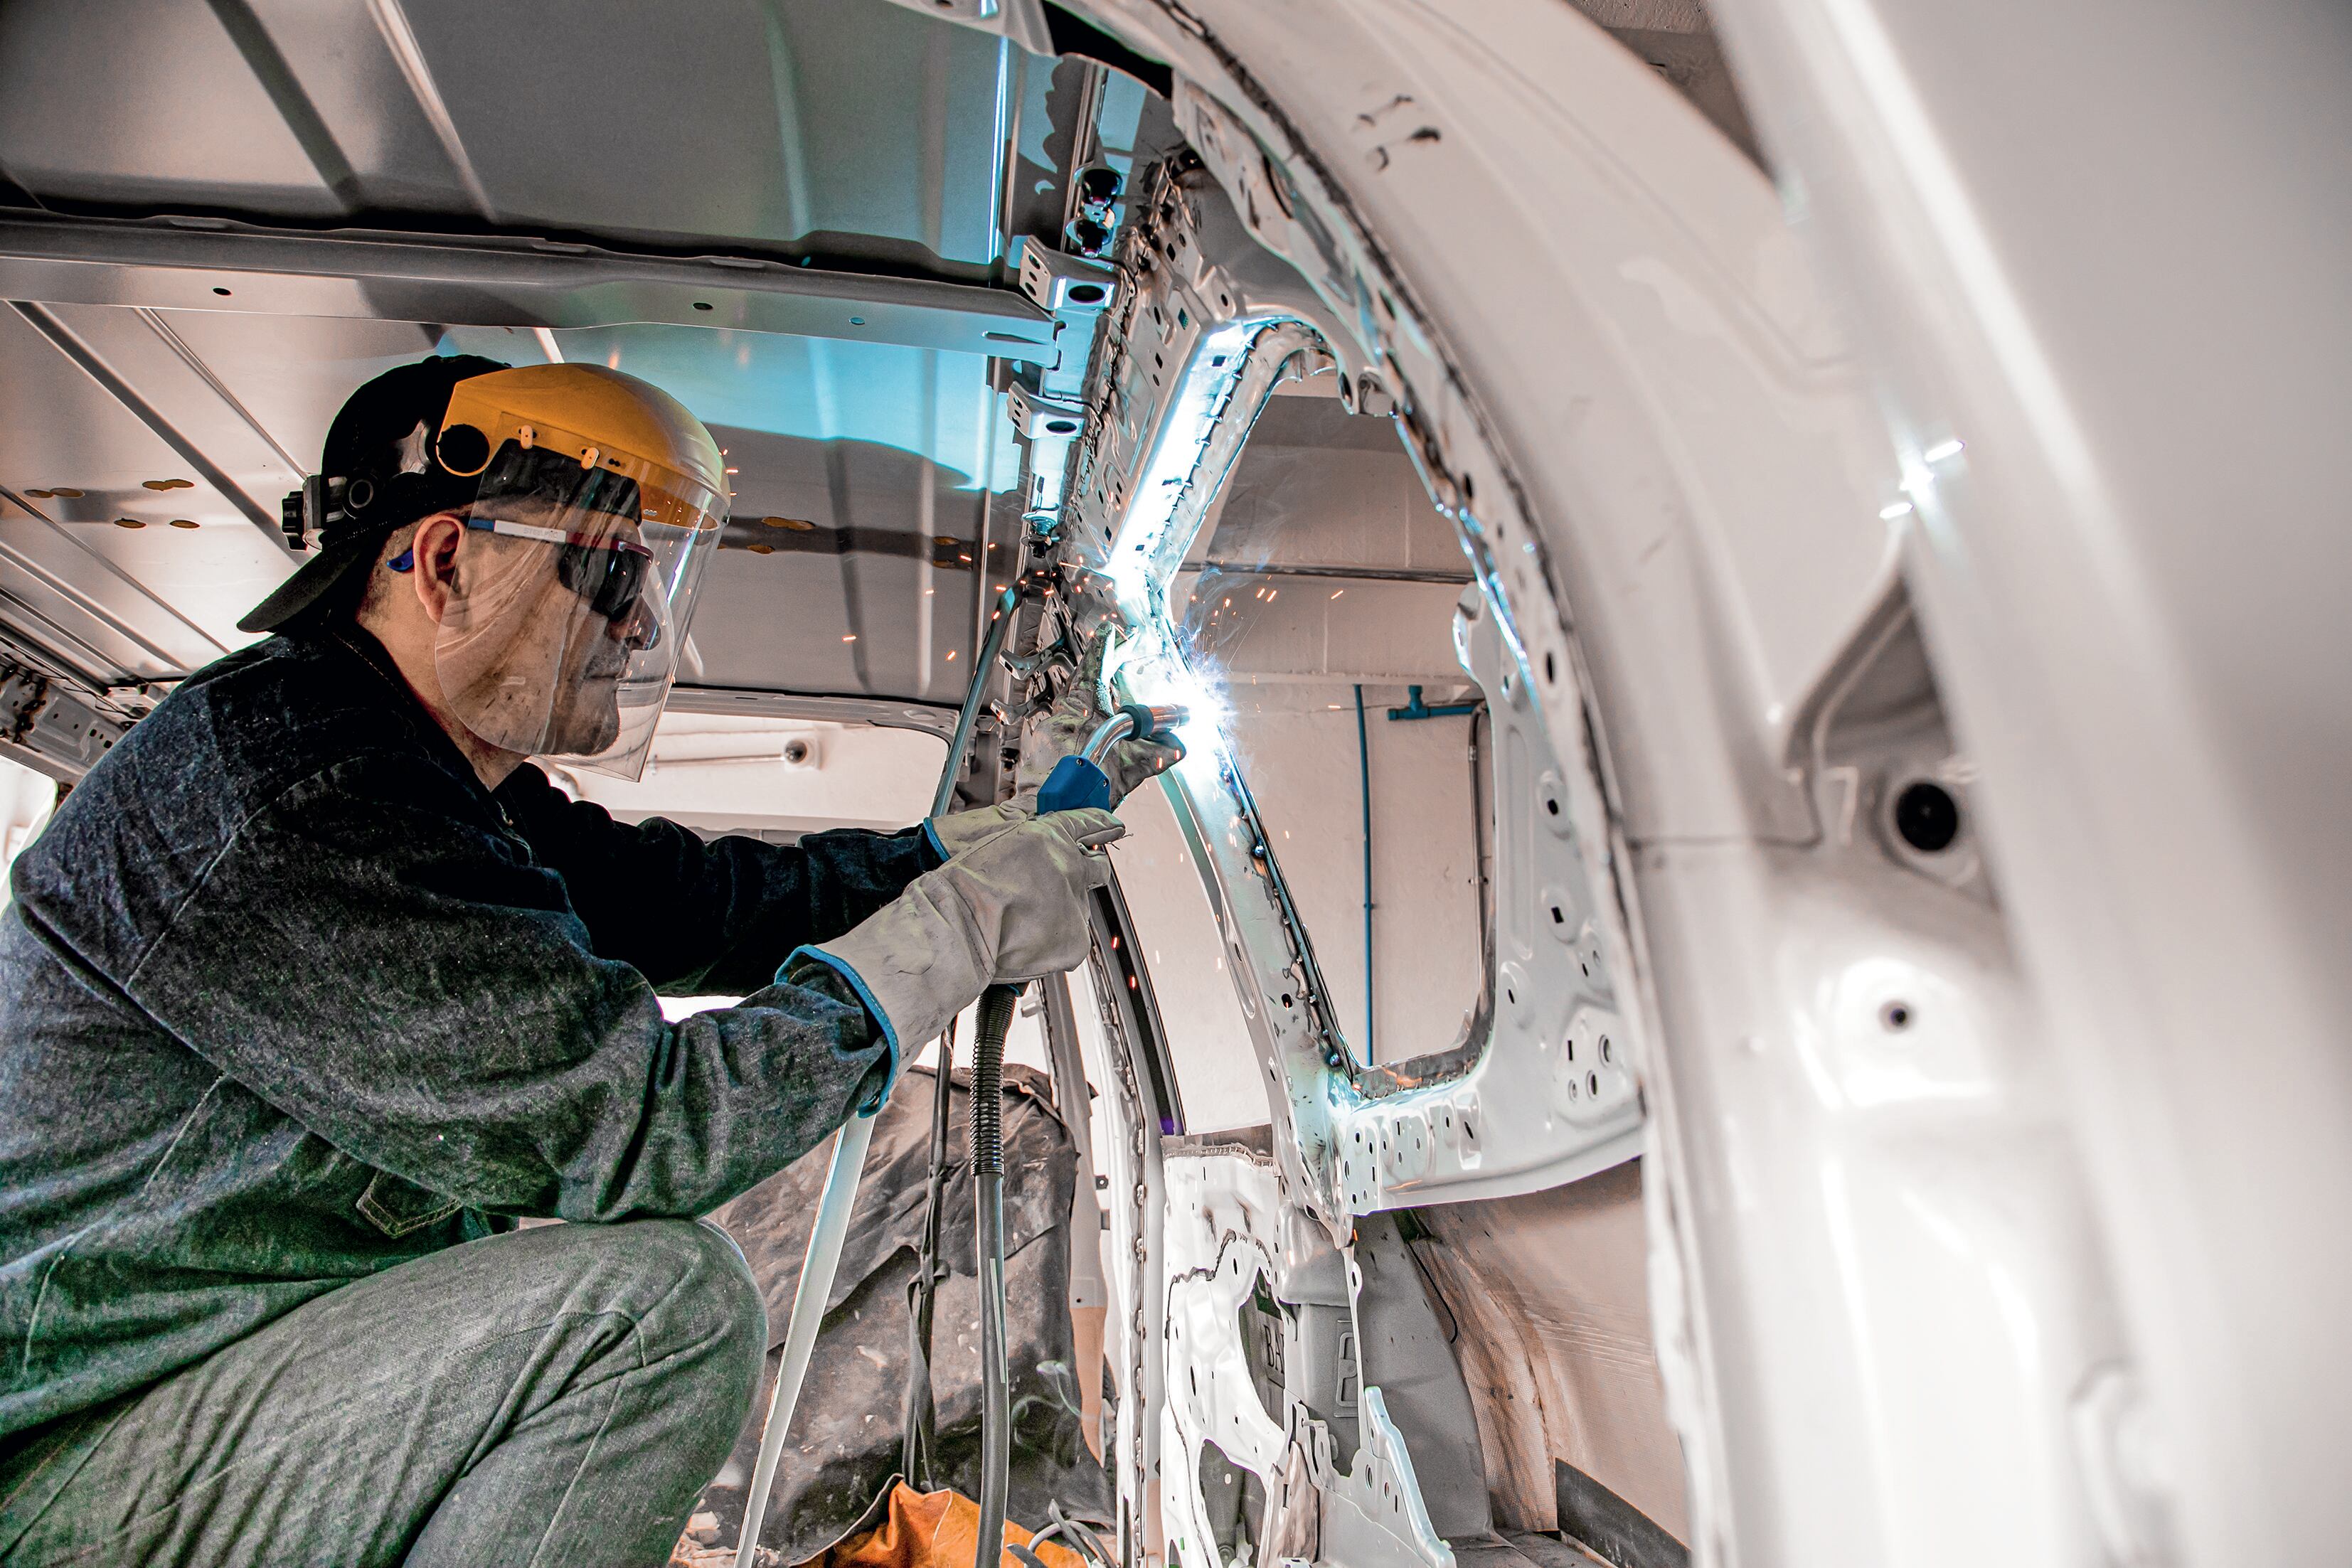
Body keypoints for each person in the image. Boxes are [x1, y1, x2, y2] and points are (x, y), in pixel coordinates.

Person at [0, 356, 1176, 1567]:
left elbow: (694, 903)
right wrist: (959, 930)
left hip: (195, 1393)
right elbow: (652, 1127)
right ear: (445, 562)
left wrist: (950, 853)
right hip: (70, 1462)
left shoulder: (424, 769)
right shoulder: (304, 793)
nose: (647, 621)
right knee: (663, 1310)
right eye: (612, 571)